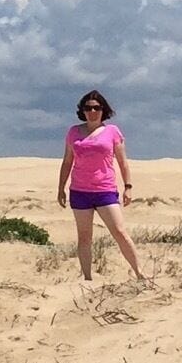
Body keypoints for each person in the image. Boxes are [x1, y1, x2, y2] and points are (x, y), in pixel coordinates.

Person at [56, 90, 145, 284]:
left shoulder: (112, 131)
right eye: (88, 108)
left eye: (96, 107)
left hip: (105, 190)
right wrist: (61, 188)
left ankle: (140, 273)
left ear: (103, 110)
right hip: (79, 191)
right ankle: (88, 279)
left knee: (120, 231)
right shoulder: (74, 132)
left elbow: (123, 162)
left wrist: (128, 186)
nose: (92, 111)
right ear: (83, 111)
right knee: (85, 237)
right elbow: (67, 161)